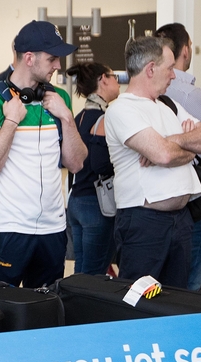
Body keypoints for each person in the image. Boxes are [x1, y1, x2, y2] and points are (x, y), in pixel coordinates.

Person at [0, 20, 86, 287]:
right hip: (8, 229)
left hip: (53, 229)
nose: (59, 66)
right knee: (1, 310)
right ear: (30, 58)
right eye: (53, 59)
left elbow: (77, 163)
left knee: (46, 311)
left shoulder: (59, 101)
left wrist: (67, 118)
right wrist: (10, 123)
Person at [105, 36, 201, 289]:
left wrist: (171, 140)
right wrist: (186, 144)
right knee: (138, 302)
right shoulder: (122, 109)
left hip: (181, 220)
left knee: (175, 300)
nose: (174, 75)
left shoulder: (168, 105)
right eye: (170, 68)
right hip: (144, 222)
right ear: (151, 69)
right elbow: (163, 155)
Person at [155, 23, 201, 290]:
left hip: (155, 198)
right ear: (185, 50)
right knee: (190, 279)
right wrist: (194, 143)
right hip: (195, 194)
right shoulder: (189, 94)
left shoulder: (145, 94)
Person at [64, 62, 120, 275]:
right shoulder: (103, 120)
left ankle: (73, 308)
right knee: (94, 274)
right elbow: (101, 164)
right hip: (97, 204)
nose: (117, 81)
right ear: (102, 79)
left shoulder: (77, 119)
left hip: (76, 201)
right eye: (114, 76)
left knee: (82, 271)